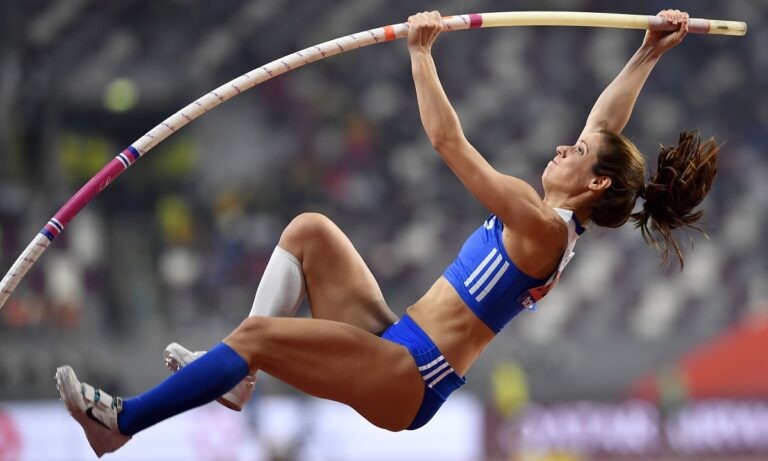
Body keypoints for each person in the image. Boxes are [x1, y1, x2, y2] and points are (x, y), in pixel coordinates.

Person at [56, 9, 719, 457]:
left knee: (253, 337)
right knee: (310, 231)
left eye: (577, 152)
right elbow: (604, 124)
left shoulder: (541, 224)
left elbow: (448, 142)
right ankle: (237, 382)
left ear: (596, 183)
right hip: (398, 341)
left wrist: (421, 52)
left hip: (411, 376)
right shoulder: (557, 217)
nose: (564, 145)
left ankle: (123, 422)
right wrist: (647, 51)